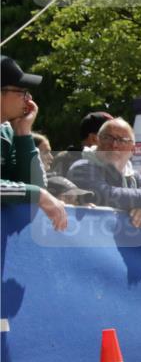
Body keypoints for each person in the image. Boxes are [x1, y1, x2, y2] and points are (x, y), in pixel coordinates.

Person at [67, 117, 141, 227]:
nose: (114, 145)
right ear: (98, 141)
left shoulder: (132, 175)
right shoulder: (81, 167)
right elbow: (103, 195)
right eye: (108, 138)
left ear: (133, 150)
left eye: (122, 140)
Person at [1, 55, 68, 231]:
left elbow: (35, 184)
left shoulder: (7, 131)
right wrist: (38, 194)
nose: (29, 99)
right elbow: (36, 192)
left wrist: (23, 133)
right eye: (22, 92)